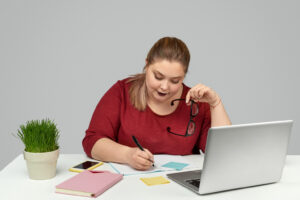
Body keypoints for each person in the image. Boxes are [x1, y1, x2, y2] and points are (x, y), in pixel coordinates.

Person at [82, 37, 231, 170]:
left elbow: (224, 154)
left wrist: (215, 103)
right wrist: (128, 155)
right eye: (158, 77)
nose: (164, 87)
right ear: (147, 65)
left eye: (175, 81)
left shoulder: (196, 102)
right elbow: (92, 142)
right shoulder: (122, 91)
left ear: (184, 76)